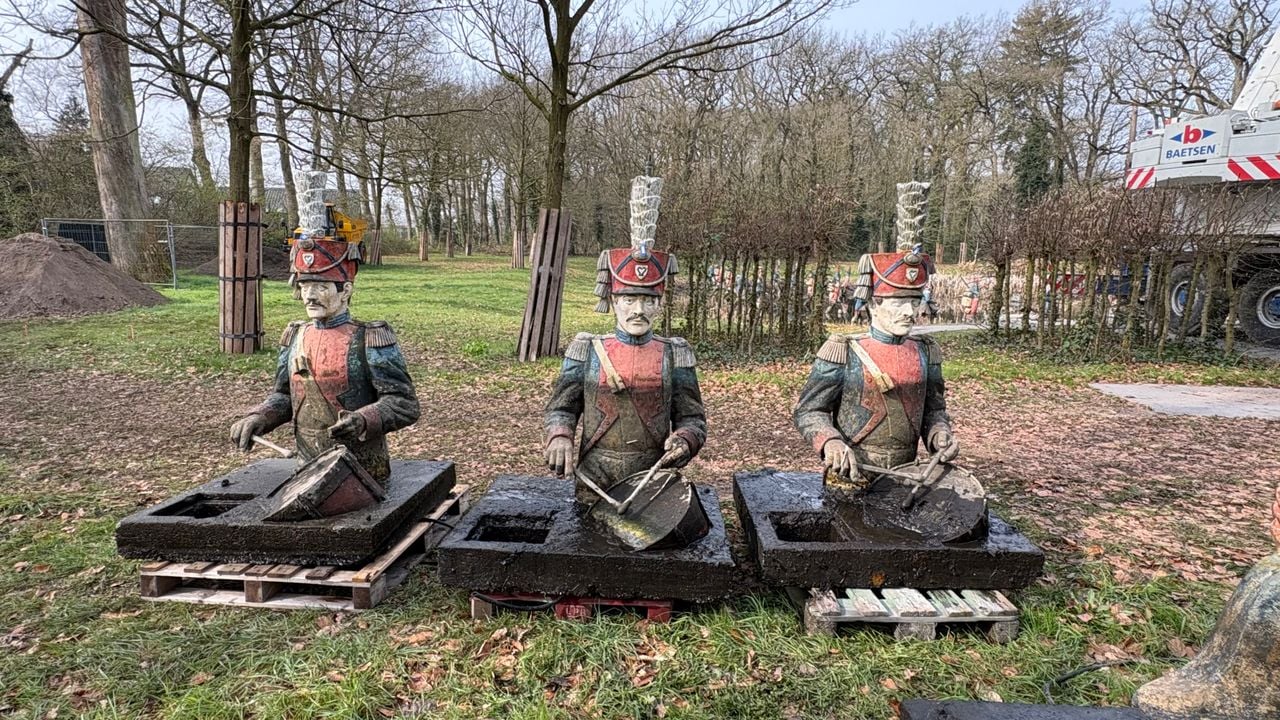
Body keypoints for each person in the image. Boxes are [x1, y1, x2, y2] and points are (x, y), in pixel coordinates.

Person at [228, 234, 419, 483]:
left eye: (321, 287)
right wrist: (260, 416)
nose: (310, 295)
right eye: (305, 286)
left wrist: (363, 420)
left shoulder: (369, 338)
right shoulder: (295, 337)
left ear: (345, 290)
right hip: (306, 469)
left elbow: (404, 403)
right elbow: (285, 396)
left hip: (362, 474)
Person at [544, 243, 706, 506]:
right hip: (594, 478)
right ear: (614, 301)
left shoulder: (675, 354)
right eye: (629, 300)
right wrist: (560, 435)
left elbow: (692, 418)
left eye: (648, 300)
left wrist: (685, 440)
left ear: (659, 304)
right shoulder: (586, 351)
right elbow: (561, 409)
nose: (638, 310)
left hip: (652, 478)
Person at [794, 250, 957, 494]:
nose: (910, 312)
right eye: (898, 303)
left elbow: (934, 409)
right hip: (851, 479)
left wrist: (938, 433)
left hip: (907, 478)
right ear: (873, 304)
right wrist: (830, 441)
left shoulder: (927, 353)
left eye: (914, 302)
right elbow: (809, 409)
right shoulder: (843, 352)